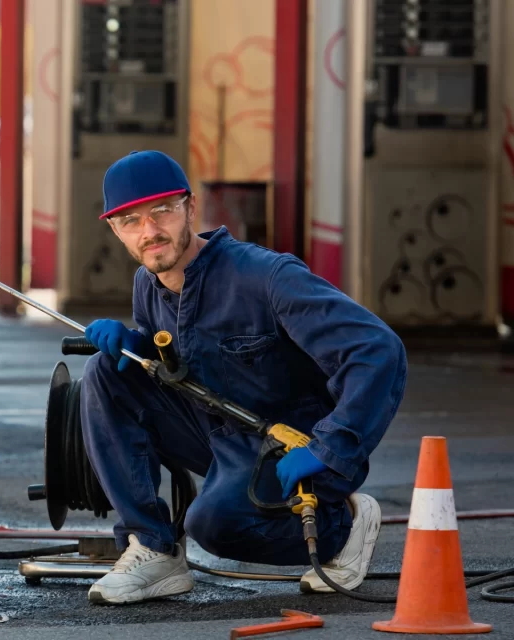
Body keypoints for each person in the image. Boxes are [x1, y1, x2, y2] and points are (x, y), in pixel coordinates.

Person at [80, 150, 407, 605]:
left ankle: (342, 527)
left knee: (213, 525)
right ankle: (154, 548)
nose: (149, 231)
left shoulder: (266, 276)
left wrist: (331, 448)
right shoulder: (147, 285)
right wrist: (136, 348)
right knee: (105, 372)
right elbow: (176, 369)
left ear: (190, 208)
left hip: (290, 447)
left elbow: (377, 350)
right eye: (131, 220)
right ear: (116, 230)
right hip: (219, 439)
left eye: (162, 212)